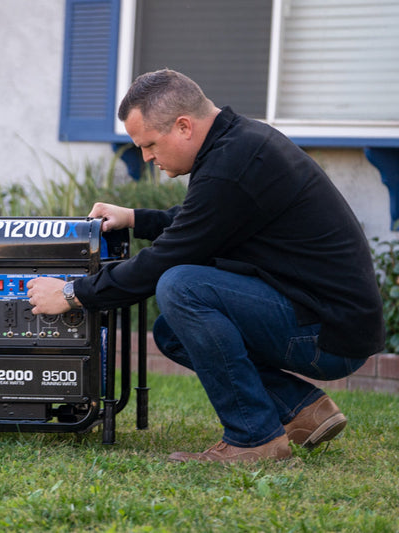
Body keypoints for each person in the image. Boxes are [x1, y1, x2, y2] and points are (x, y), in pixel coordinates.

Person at [26, 69, 385, 463]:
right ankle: (303, 409)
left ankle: (254, 439)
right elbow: (204, 221)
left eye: (150, 144)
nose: (146, 157)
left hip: (326, 334)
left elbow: (169, 257)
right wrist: (135, 218)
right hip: (324, 320)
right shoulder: (239, 145)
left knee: (180, 285)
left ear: (183, 126)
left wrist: (72, 293)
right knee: (171, 333)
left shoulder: (232, 164)